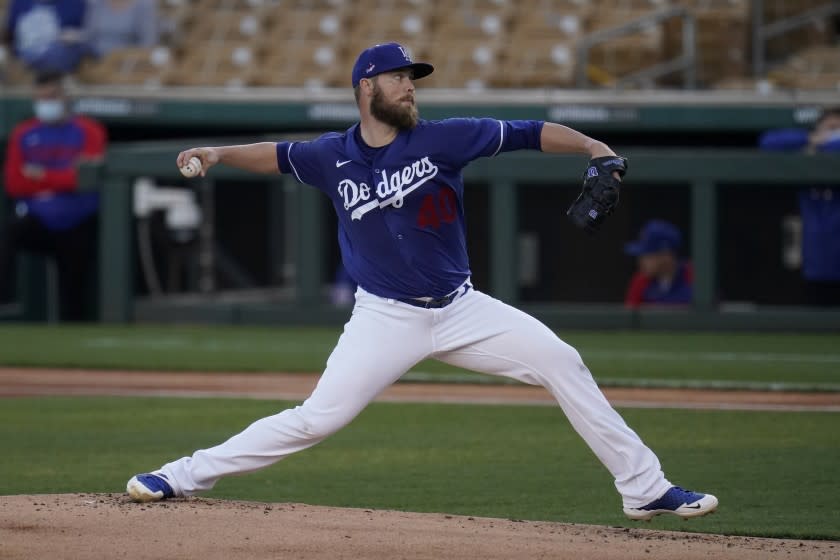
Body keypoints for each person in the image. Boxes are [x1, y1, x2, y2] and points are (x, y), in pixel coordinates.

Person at [126, 42, 718, 521]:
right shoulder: (330, 155)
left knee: (563, 361)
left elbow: (528, 132)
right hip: (385, 317)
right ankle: (179, 476)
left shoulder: (443, 139)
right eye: (398, 77)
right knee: (316, 419)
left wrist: (594, 146)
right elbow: (278, 155)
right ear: (366, 87)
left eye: (413, 78)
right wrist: (221, 153)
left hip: (462, 309)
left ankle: (644, 488)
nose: (410, 86)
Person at [0, 71, 107, 321]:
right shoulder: (24, 133)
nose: (46, 104)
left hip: (78, 219)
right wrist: (63, 177)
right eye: (41, 98)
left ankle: (75, 328)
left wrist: (41, 176)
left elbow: (86, 178)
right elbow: (15, 183)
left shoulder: (89, 130)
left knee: (74, 288)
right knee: (6, 235)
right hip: (38, 219)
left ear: (65, 96)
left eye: (52, 97)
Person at [758, 107, 840, 306]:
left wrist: (826, 143)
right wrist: (812, 140)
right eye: (831, 127)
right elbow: (768, 142)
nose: (834, 133)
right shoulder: (810, 144)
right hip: (816, 260)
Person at [2, 0, 91, 74]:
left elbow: (87, 36)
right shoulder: (20, 3)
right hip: (23, 58)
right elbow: (9, 35)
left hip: (61, 55)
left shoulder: (74, 4)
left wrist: (76, 37)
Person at [623, 219, 693, 309]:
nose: (641, 261)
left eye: (647, 255)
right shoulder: (640, 281)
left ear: (666, 256)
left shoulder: (692, 276)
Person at [83, 0, 159, 58]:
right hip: (96, 60)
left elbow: (148, 42)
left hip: (127, 62)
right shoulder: (96, 3)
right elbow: (88, 34)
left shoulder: (144, 5)